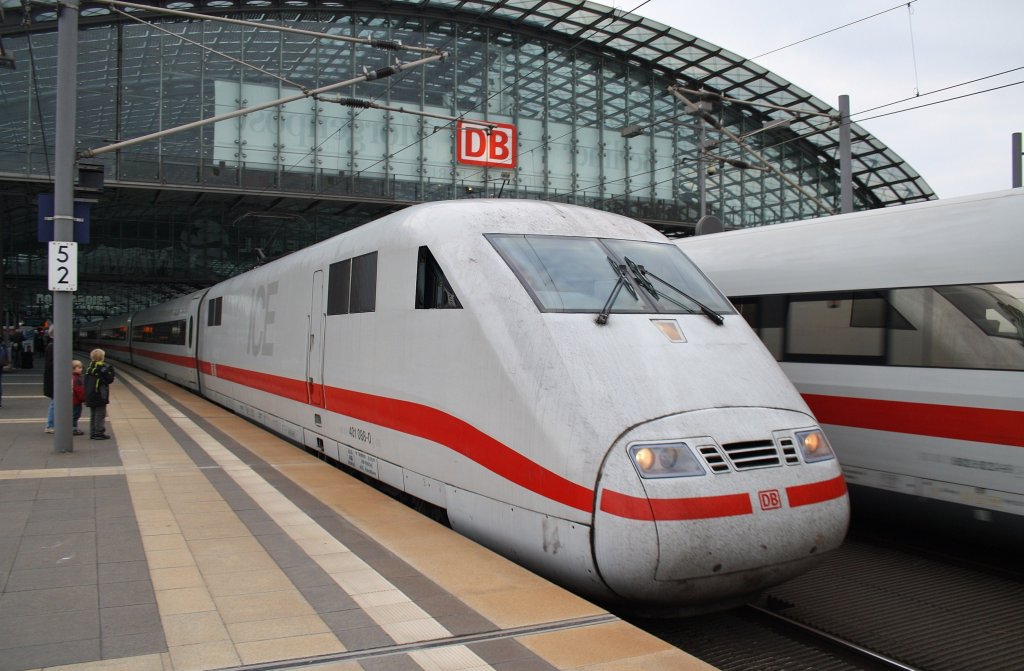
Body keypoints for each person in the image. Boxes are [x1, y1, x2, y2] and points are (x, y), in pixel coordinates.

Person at [84, 348, 115, 440]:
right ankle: (99, 433)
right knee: (100, 414)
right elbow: (109, 380)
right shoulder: (102, 368)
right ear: (102, 357)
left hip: (90, 394)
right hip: (100, 395)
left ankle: (93, 432)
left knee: (93, 414)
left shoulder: (90, 367)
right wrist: (111, 372)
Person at [43, 328, 54, 432]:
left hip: (52, 379)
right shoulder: (52, 347)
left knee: (55, 402)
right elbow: (51, 365)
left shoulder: (51, 346)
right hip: (53, 380)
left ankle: (52, 424)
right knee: (55, 403)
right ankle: (50, 425)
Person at [71, 359, 85, 436]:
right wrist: (84, 398)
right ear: (73, 369)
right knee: (75, 415)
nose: (81, 369)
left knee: (73, 415)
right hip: (76, 401)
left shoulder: (72, 377)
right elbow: (79, 390)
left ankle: (73, 428)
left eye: (81, 368)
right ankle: (73, 429)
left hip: (73, 400)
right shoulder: (77, 379)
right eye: (79, 368)